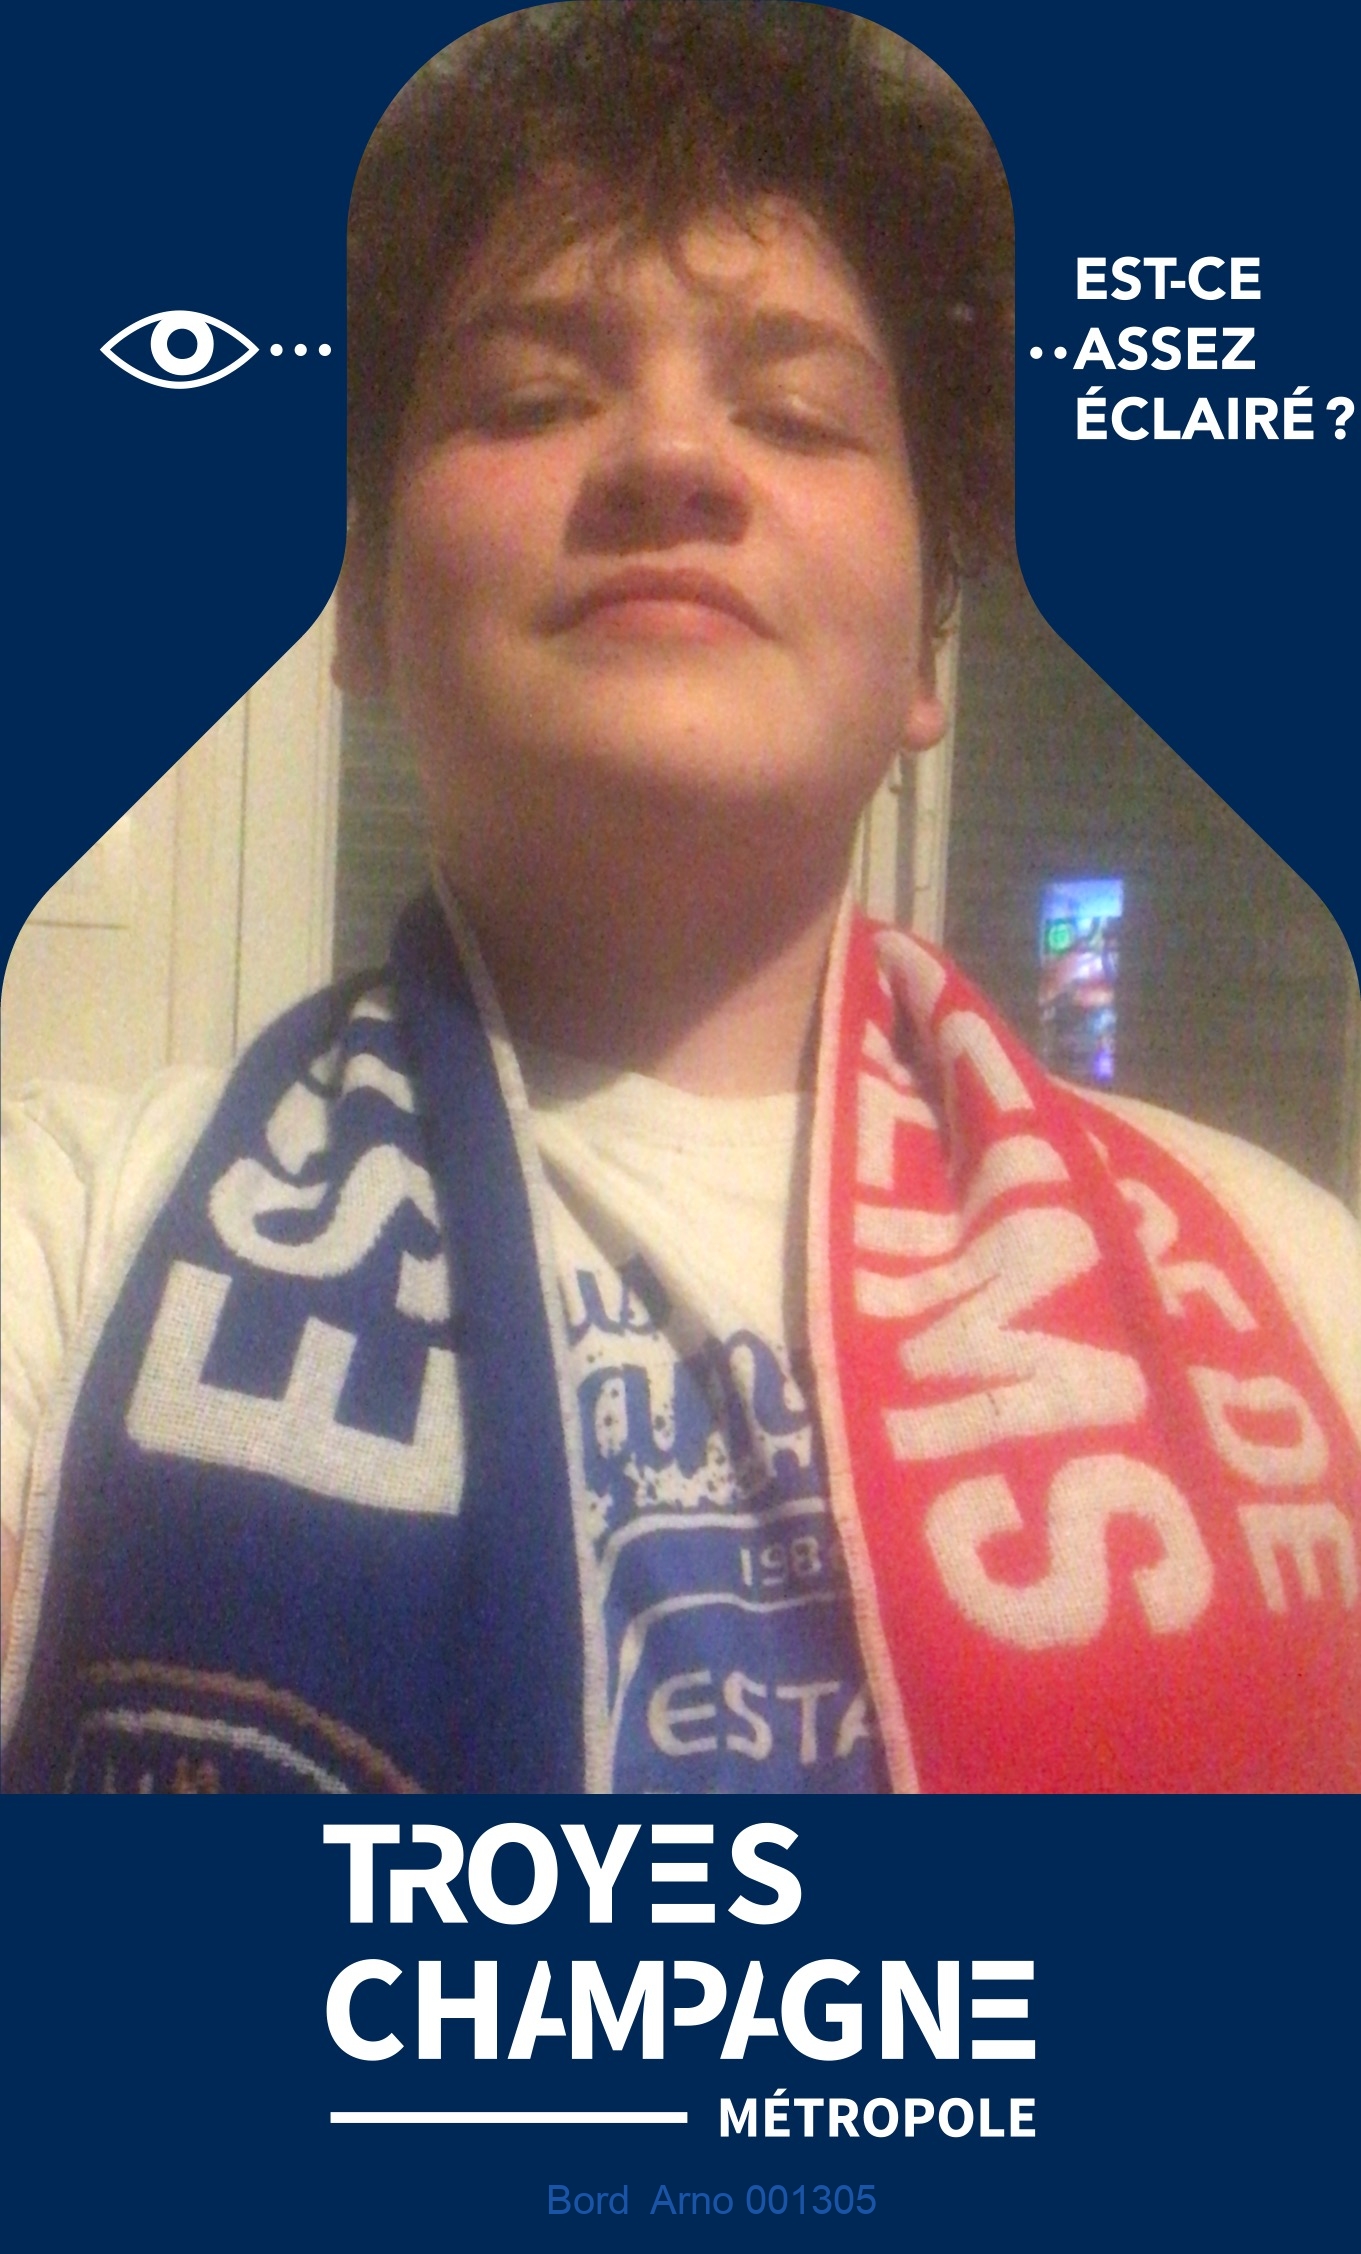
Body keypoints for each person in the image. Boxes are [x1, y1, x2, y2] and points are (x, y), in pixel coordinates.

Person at [3, 1, 1357, 1794]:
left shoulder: (1293, 1286)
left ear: (925, 654)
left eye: (794, 414)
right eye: (531, 398)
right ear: (360, 611)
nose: (672, 459)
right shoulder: (67, 1236)